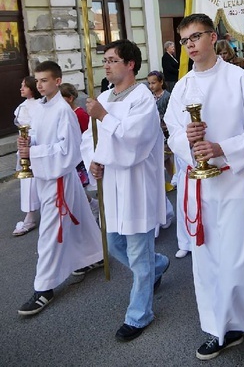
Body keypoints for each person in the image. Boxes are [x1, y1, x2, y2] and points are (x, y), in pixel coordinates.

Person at [165, 14, 244, 367]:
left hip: (234, 182)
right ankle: (224, 327)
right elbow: (173, 130)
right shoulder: (182, 88)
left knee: (241, 261)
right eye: (185, 40)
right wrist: (191, 145)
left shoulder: (239, 79)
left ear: (213, 38)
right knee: (209, 263)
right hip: (199, 186)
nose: (190, 45)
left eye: (196, 36)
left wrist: (219, 149)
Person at [81, 40, 169, 342]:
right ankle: (160, 263)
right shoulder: (105, 96)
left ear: (130, 64)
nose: (106, 65)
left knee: (138, 255)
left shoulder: (143, 97)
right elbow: (88, 138)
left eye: (112, 60)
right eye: (104, 60)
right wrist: (93, 160)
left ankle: (139, 314)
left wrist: (104, 116)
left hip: (135, 186)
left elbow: (137, 138)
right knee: (115, 244)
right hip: (111, 186)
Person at [17, 61, 103, 316]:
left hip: (59, 176)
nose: (39, 85)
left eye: (44, 80)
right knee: (83, 219)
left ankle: (44, 287)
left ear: (57, 81)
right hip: (47, 175)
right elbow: (43, 138)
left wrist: (32, 151)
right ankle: (96, 255)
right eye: (37, 80)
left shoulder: (63, 111)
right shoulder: (40, 107)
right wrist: (28, 141)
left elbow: (68, 151)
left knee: (49, 232)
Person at [60, 83, 99, 221]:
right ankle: (92, 207)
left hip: (80, 156)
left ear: (70, 98)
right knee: (75, 188)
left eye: (61, 98)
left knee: (79, 188)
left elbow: (87, 134)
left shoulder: (80, 114)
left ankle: (94, 208)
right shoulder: (64, 113)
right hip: (70, 155)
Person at [12, 76, 41, 236]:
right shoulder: (22, 106)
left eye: (25, 86)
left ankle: (89, 204)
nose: (21, 88)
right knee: (28, 182)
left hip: (37, 146)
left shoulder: (41, 105)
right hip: (25, 147)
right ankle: (29, 218)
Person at [147, 71, 175, 232]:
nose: (152, 86)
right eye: (149, 83)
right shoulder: (150, 97)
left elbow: (169, 112)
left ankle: (172, 178)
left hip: (164, 129)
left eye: (154, 83)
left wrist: (165, 122)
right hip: (155, 129)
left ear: (161, 82)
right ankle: (168, 179)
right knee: (162, 158)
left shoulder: (166, 96)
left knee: (166, 157)